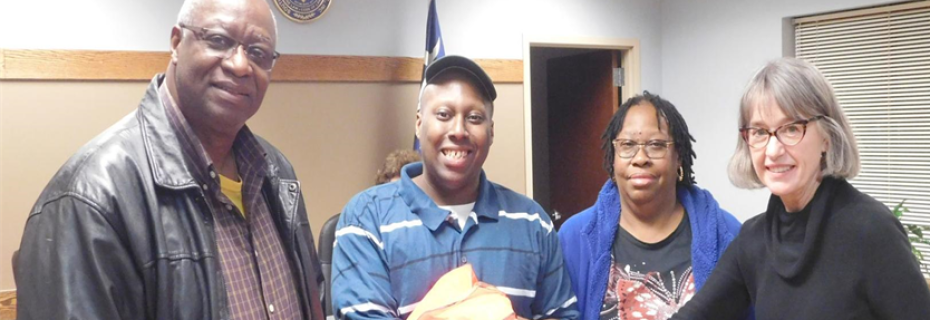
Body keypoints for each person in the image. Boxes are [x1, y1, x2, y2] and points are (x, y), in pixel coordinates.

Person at [14, 0, 325, 319]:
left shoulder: (276, 170)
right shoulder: (89, 199)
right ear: (177, 43)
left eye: (258, 53)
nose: (240, 65)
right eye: (218, 40)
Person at [670, 58, 930, 320]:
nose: (773, 150)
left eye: (792, 128)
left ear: (827, 137)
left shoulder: (871, 229)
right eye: (760, 132)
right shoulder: (754, 239)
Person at [331, 55, 580, 319]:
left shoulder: (532, 222)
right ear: (419, 123)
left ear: (491, 131)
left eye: (474, 117)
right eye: (444, 115)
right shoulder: (366, 218)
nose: (459, 130)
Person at [558, 92, 745, 320]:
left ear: (679, 156)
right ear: (613, 157)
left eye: (656, 145)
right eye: (627, 145)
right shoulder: (574, 238)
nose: (640, 158)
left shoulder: (726, 233)